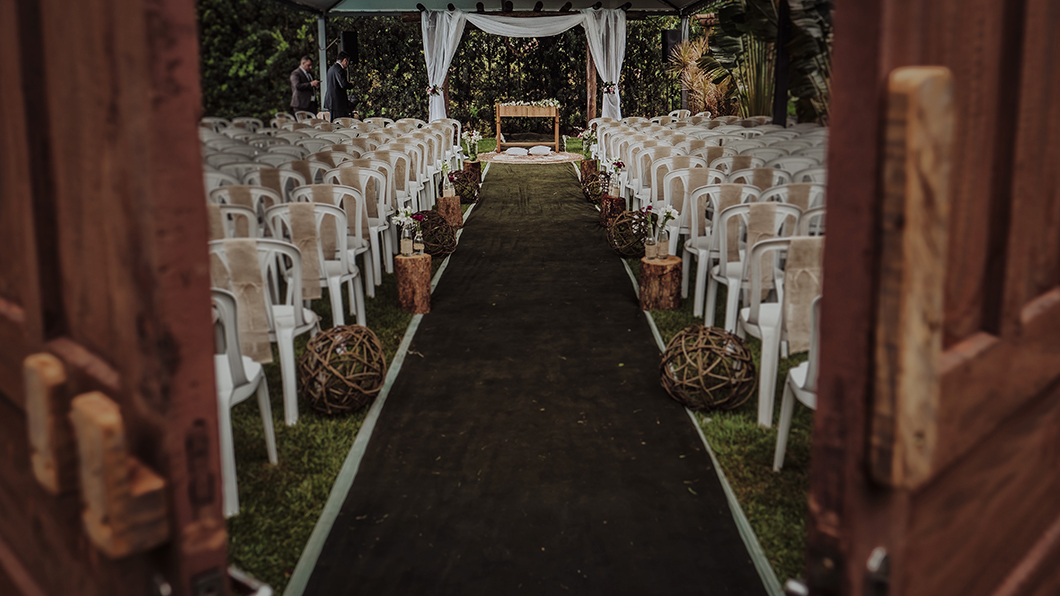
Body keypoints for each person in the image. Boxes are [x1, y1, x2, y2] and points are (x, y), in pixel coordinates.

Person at [323, 51, 359, 120]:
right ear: (345, 60)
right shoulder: (339, 69)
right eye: (348, 61)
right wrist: (351, 84)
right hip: (338, 103)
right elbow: (343, 84)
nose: (348, 64)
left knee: (333, 122)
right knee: (340, 123)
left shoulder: (331, 68)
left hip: (330, 102)